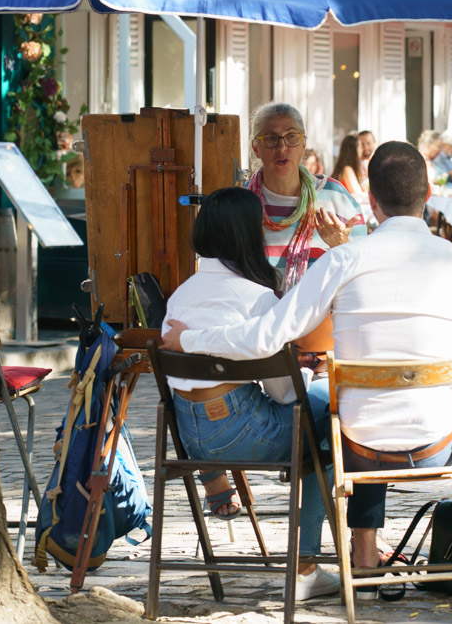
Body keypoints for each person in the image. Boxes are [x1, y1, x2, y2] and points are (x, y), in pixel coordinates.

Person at [164, 142, 452, 599]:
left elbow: (267, 336)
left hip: (360, 448)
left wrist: (189, 339)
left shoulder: (342, 261)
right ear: (429, 194)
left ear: (371, 201)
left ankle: (362, 555)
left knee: (346, 410)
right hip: (441, 445)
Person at [161, 188, 340, 601]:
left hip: (191, 439)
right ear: (248, 236)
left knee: (312, 417)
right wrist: (309, 375)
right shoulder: (257, 297)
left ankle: (307, 561)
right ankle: (306, 567)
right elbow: (282, 397)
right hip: (244, 432)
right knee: (323, 427)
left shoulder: (180, 296)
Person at [249, 102, 366, 290]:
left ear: (303, 144)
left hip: (319, 318)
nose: (282, 147)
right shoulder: (240, 202)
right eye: (271, 139)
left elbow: (362, 276)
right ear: (256, 148)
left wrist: (341, 246)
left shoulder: (336, 198)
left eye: (292, 137)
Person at [332, 133, 365, 197]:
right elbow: (358, 194)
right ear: (354, 150)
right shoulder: (347, 169)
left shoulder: (344, 168)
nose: (362, 149)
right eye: (360, 146)